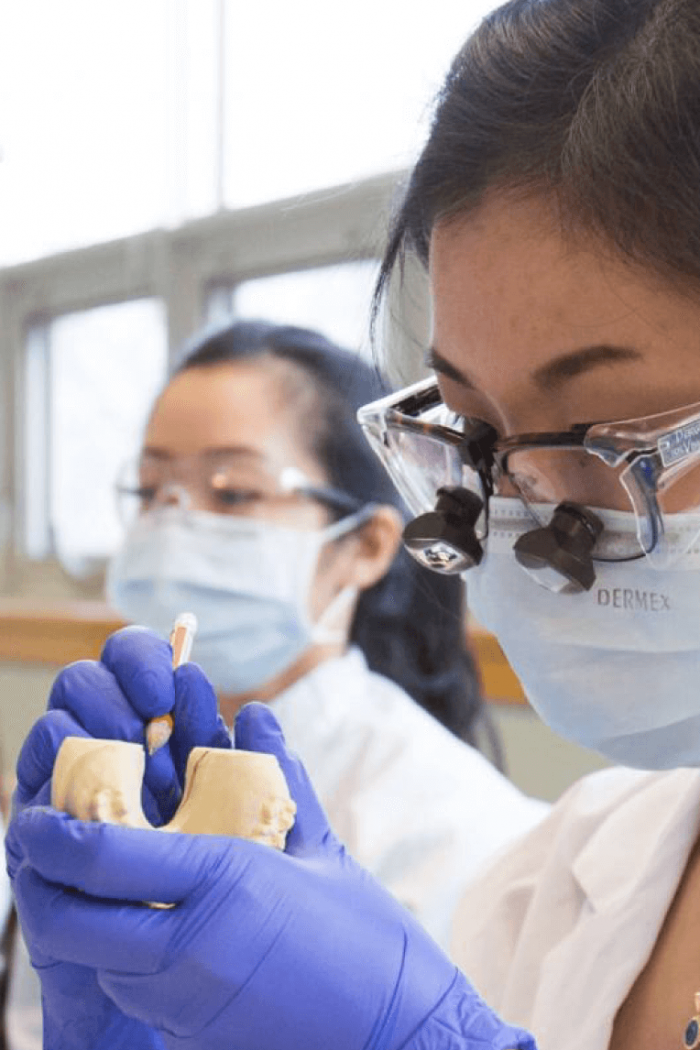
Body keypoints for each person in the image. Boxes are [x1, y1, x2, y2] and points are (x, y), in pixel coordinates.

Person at [10, 0, 700, 1046]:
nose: (529, 530)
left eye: (607, 433)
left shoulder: (454, 839)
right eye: (478, 432)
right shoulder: (552, 889)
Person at [103, 319, 545, 946]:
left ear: (365, 545)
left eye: (233, 494)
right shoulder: (123, 756)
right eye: (151, 491)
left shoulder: (446, 826)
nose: (174, 530)